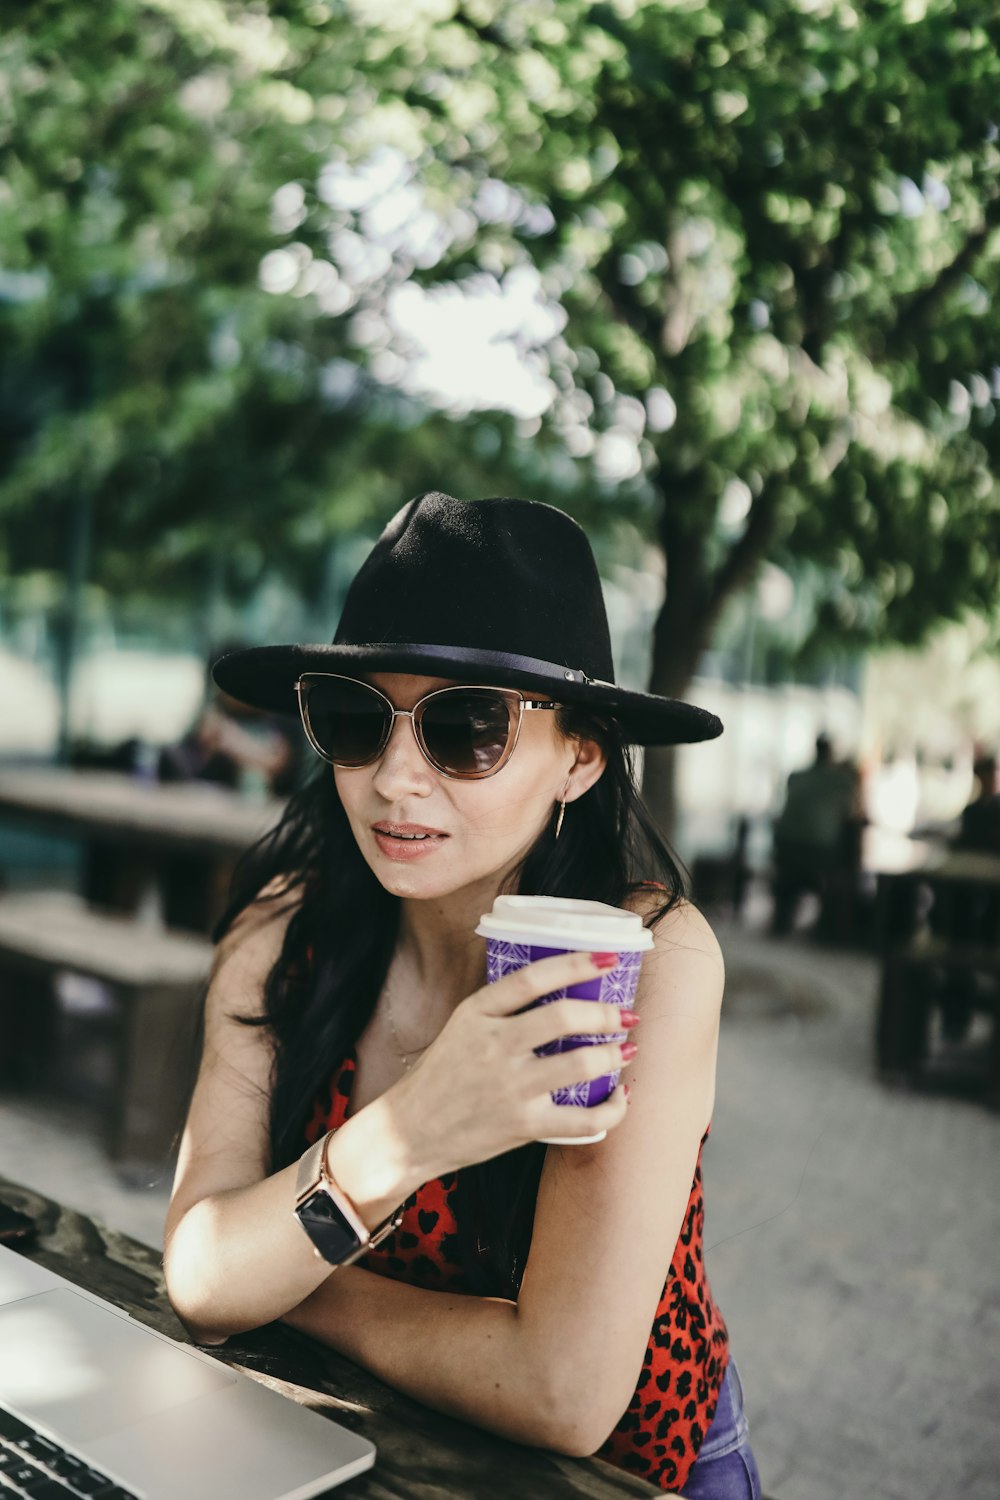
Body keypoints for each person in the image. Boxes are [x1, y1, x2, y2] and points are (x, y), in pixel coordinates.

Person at [162, 492, 760, 1499]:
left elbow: (562, 1393)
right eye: (355, 718)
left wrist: (291, 1282)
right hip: (346, 1439)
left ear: (579, 753)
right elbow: (199, 1276)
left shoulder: (644, 961)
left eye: (466, 727)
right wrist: (411, 1133)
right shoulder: (283, 931)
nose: (396, 778)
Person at [769, 733, 861, 938]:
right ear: (830, 753)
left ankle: (781, 922)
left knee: (788, 877)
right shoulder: (839, 780)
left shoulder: (796, 776)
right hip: (817, 851)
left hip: (785, 845)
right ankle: (831, 926)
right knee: (843, 864)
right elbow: (851, 811)